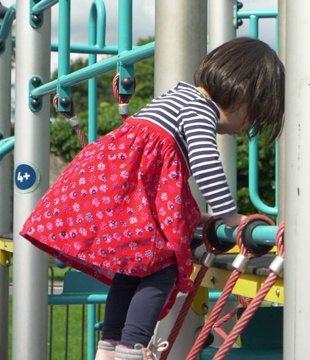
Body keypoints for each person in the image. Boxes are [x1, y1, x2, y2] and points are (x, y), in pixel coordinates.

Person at [20, 37, 285, 360]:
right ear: (241, 91)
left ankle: (110, 346)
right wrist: (231, 217)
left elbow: (162, 180)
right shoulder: (200, 110)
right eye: (252, 116)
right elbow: (205, 163)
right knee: (164, 265)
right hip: (120, 192)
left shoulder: (178, 98)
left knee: (133, 268)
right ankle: (133, 349)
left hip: (109, 189)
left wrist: (192, 216)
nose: (246, 129)